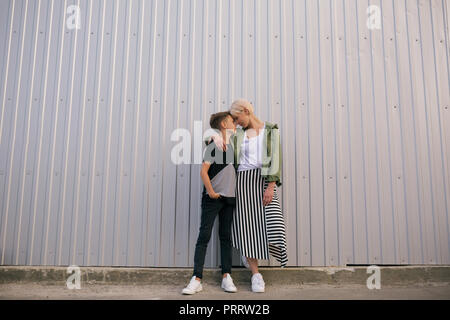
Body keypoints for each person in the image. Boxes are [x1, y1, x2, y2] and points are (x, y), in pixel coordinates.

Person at [209, 99, 287, 293]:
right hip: (242, 182)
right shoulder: (237, 133)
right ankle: (256, 274)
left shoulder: (270, 130)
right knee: (249, 227)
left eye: (237, 118)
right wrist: (215, 137)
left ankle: (248, 253)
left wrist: (270, 186)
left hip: (263, 181)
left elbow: (275, 158)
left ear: (246, 111)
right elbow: (217, 145)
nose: (235, 122)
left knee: (274, 223)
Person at [182, 111, 238, 295]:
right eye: (232, 121)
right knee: (204, 236)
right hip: (212, 199)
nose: (235, 123)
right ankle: (196, 279)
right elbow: (203, 172)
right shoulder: (213, 144)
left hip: (229, 199)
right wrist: (211, 192)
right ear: (223, 124)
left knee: (225, 237)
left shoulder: (232, 145)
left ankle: (226, 277)